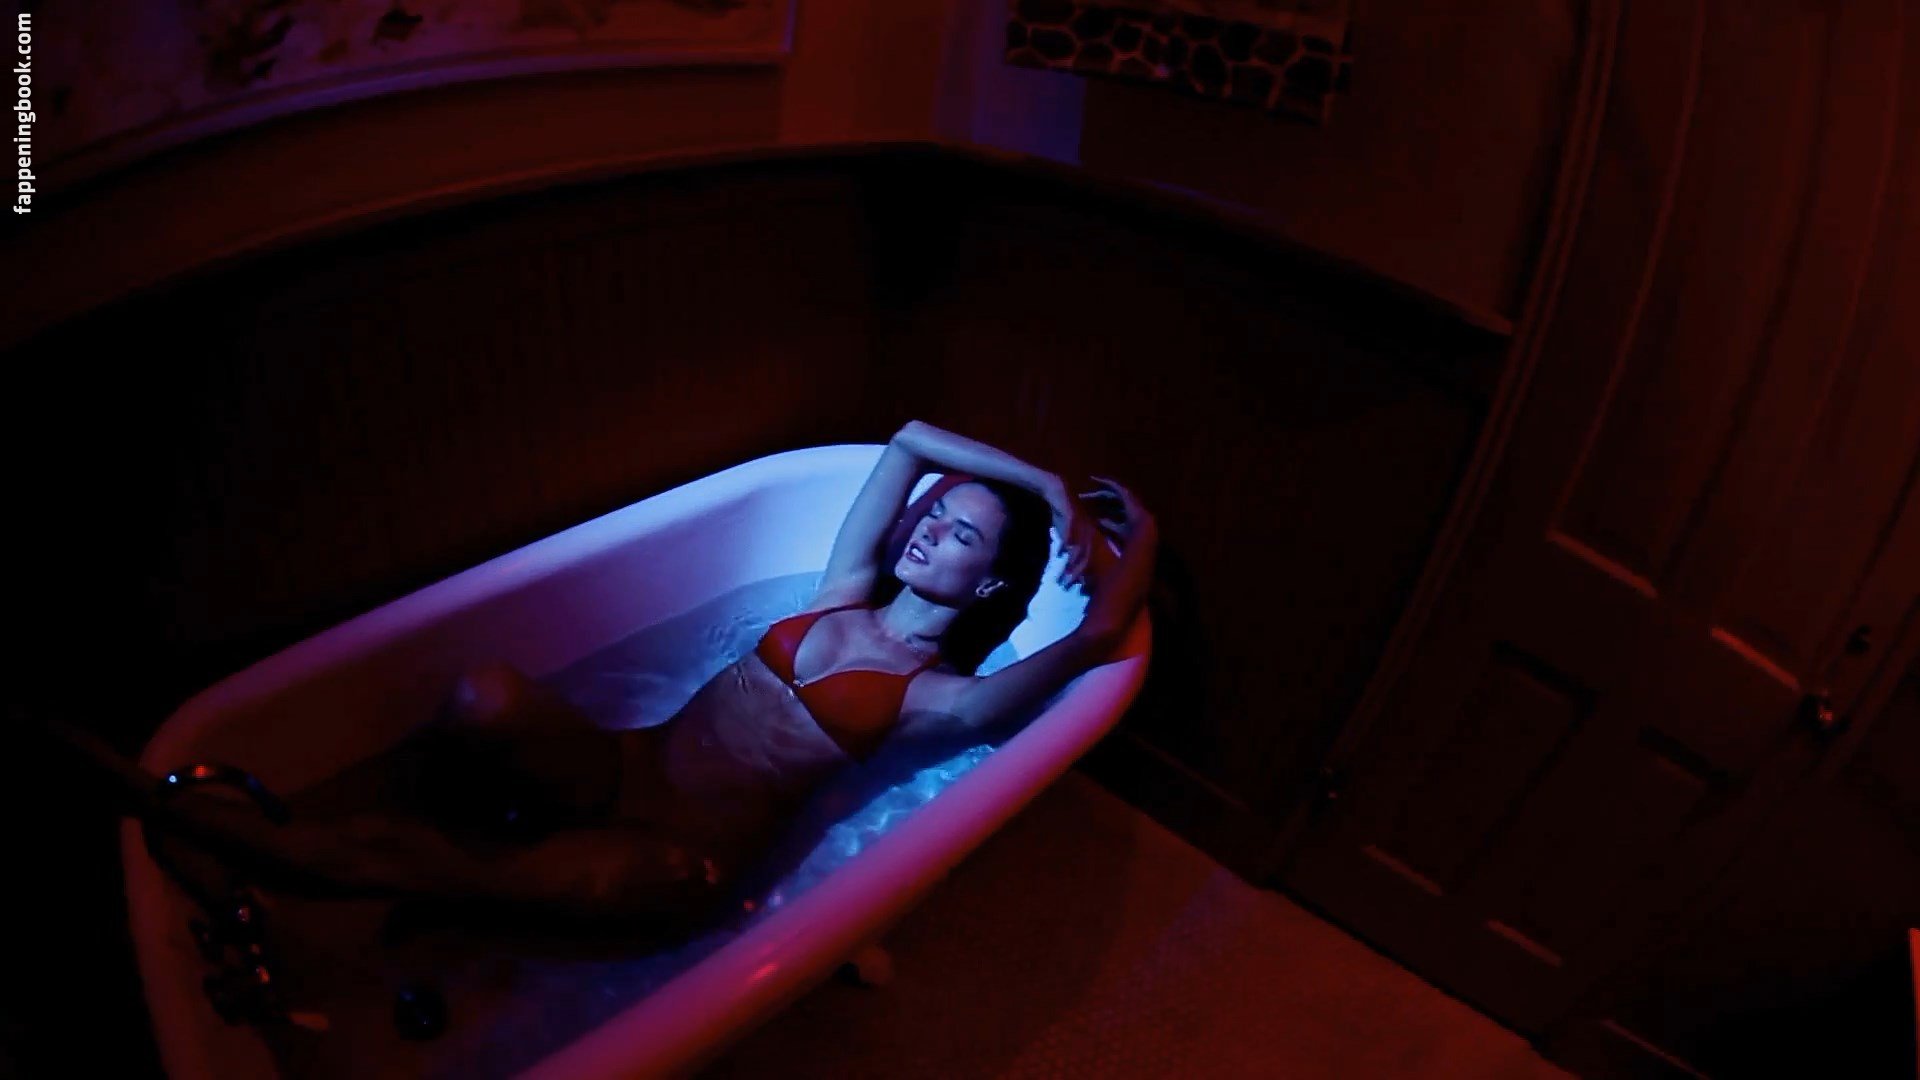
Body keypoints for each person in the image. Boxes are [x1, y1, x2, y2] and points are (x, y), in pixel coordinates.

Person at [38, 421, 1158, 933]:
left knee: (439, 870)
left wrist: (1136, 541)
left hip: (677, 857)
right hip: (625, 766)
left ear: (986, 582)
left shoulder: (934, 699)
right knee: (483, 695)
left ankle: (206, 827)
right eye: (933, 514)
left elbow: (1101, 636)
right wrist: (1040, 484)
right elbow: (908, 441)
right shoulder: (841, 591)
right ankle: (426, 851)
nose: (926, 526)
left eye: (960, 534)